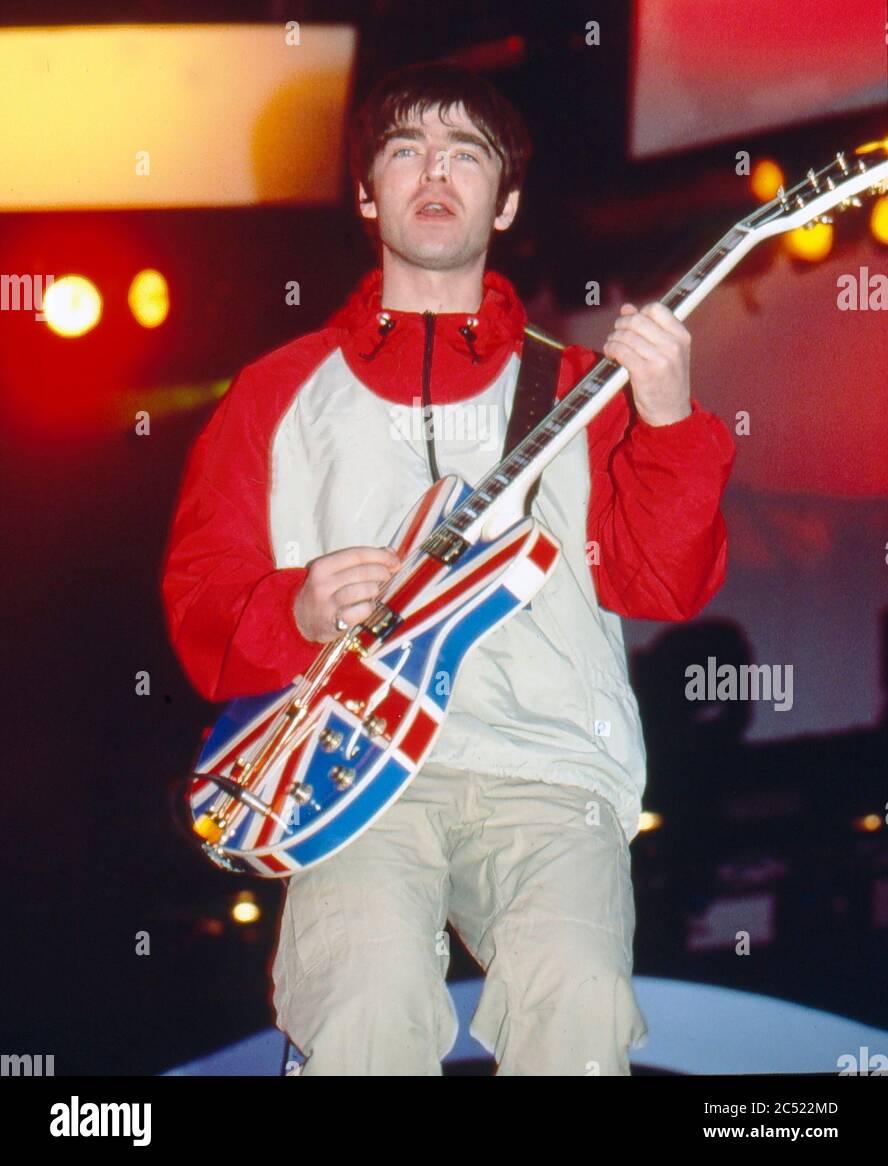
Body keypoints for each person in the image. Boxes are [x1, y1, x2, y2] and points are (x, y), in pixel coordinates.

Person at [160, 60, 736, 1075]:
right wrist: (289, 605)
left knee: (579, 1007)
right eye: (405, 149)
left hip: (551, 767)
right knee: (365, 1009)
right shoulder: (276, 390)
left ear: (506, 200)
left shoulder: (574, 384)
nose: (435, 171)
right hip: (355, 775)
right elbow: (200, 600)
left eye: (467, 154)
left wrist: (670, 420)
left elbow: (664, 582)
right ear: (365, 192)